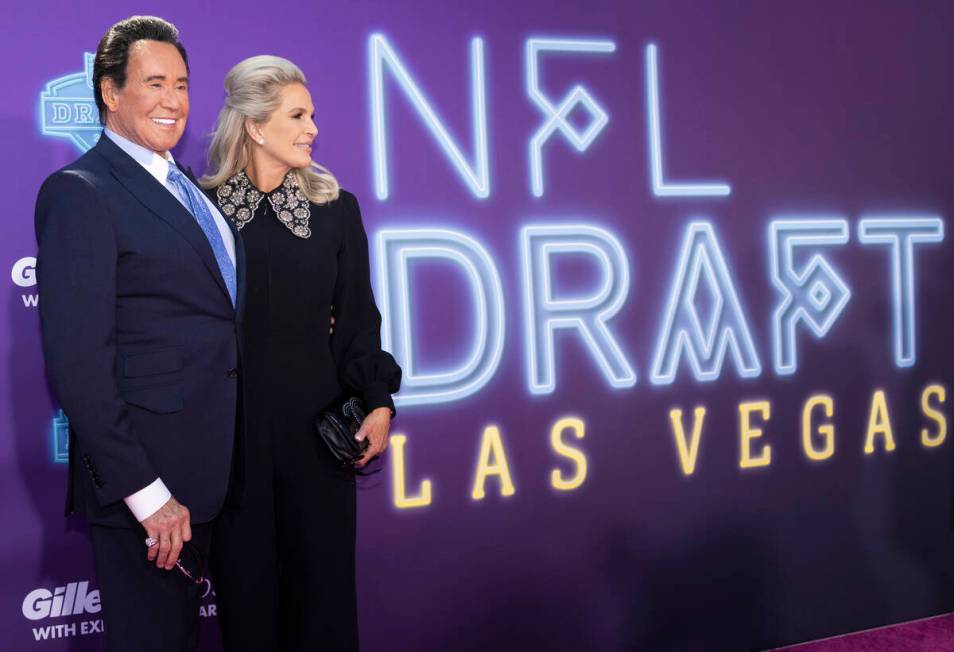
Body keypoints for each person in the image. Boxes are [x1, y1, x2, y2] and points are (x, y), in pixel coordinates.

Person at [34, 16, 243, 651]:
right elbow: (79, 366)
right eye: (154, 82)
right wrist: (148, 497)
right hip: (152, 496)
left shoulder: (194, 193)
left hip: (217, 479)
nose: (173, 101)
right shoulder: (81, 192)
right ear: (109, 90)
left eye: (182, 84)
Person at [201, 55, 401, 651]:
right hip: (231, 442)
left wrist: (378, 400)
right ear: (255, 126)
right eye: (298, 114)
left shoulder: (337, 210)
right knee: (246, 604)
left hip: (318, 437)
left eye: (312, 113)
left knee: (325, 602)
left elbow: (359, 320)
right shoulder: (201, 212)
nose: (313, 126)